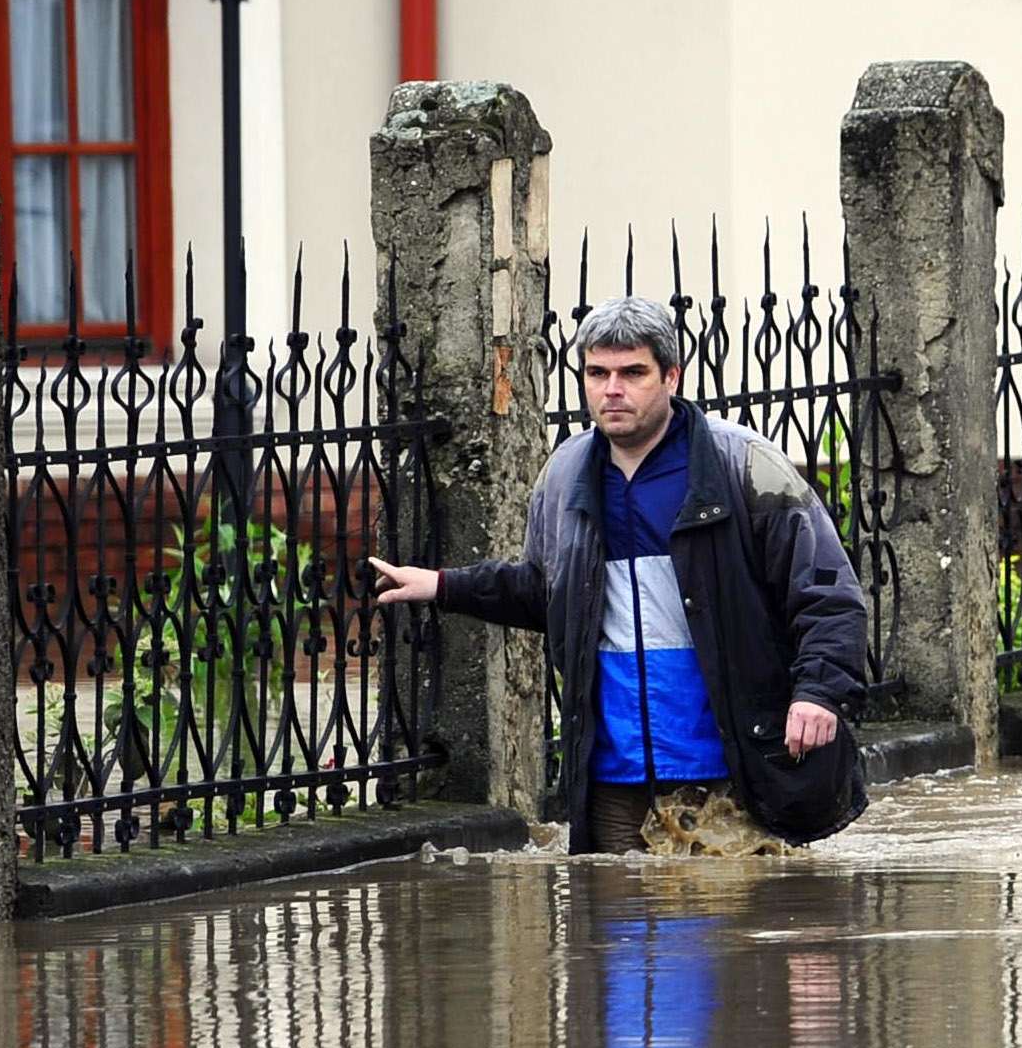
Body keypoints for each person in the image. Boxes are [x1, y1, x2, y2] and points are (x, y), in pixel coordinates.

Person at [370, 296, 870, 852]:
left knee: (739, 925)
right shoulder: (565, 475)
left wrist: (819, 693)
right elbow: (548, 593)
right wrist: (444, 585)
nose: (613, 389)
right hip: (613, 770)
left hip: (734, 760)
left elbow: (827, 592)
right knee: (612, 922)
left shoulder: (743, 464)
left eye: (633, 373)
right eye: (597, 373)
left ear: (671, 377)